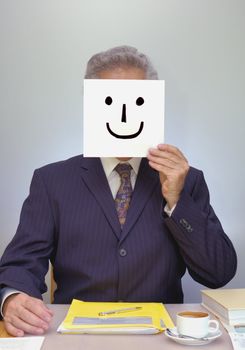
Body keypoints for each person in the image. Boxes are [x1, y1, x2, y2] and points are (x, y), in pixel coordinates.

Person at [0, 46, 237, 337]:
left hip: (161, 337)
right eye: (110, 102)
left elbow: (218, 273)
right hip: (74, 336)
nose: (124, 115)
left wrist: (177, 200)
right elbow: (21, 264)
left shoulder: (187, 180)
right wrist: (13, 298)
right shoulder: (52, 181)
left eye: (137, 102)